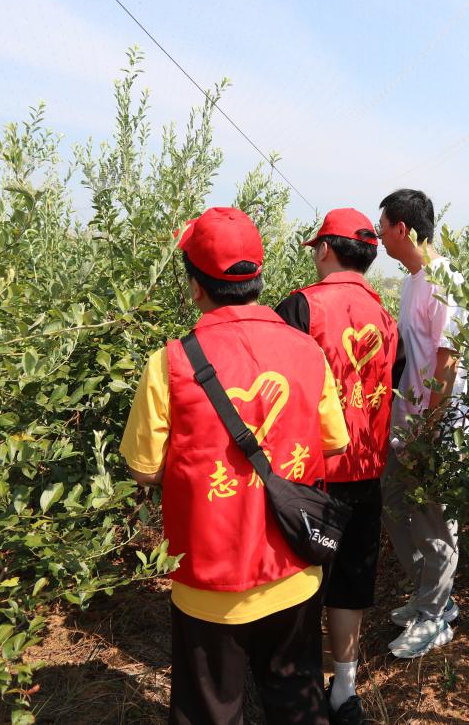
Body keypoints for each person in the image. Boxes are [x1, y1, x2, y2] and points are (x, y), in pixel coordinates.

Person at [120, 206, 349, 725]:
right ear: (258, 277)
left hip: (208, 581)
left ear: (195, 286)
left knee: (211, 711)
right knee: (296, 700)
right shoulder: (307, 352)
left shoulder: (171, 362)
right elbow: (334, 445)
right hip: (294, 568)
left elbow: (143, 468)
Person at [275, 209, 399, 724]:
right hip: (367, 469)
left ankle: (298, 685)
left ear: (325, 248)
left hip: (311, 474)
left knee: (302, 578)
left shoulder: (301, 307)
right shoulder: (386, 319)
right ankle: (344, 690)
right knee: (351, 581)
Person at [375, 189, 468, 659]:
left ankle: (434, 617)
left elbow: (447, 364)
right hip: (408, 421)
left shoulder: (445, 279)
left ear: (403, 229)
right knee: (393, 504)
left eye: (383, 229)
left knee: (434, 520)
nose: (380, 239)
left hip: (437, 424)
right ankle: (434, 597)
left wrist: (428, 430)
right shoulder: (413, 281)